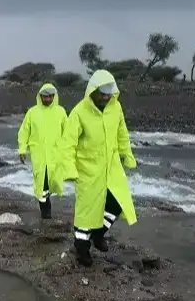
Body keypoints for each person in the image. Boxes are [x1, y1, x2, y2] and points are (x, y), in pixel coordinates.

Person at [56, 69, 137, 267]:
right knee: (86, 211)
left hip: (111, 167)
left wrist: (127, 155)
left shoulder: (115, 108)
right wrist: (69, 170)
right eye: (102, 93)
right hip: (88, 169)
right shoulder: (79, 112)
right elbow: (68, 143)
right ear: (92, 90)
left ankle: (99, 233)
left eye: (109, 93)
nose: (106, 97)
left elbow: (122, 133)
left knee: (117, 202)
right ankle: (81, 247)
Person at [17, 83, 67, 219]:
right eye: (45, 96)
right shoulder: (32, 112)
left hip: (55, 155)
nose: (48, 99)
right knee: (42, 185)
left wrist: (70, 153)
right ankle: (46, 214)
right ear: (40, 96)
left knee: (53, 183)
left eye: (51, 96)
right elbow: (24, 132)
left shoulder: (60, 112)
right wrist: (22, 149)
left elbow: (68, 133)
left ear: (54, 96)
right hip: (39, 156)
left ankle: (46, 209)